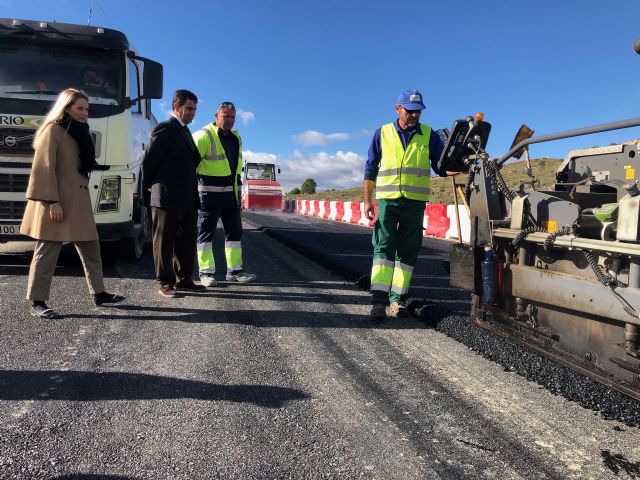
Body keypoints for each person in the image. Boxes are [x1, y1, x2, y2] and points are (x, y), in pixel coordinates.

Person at [20, 88, 124, 318]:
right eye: (80, 108)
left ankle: (99, 293)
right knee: (47, 250)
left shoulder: (80, 131)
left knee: (91, 247)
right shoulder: (52, 131)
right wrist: (51, 202)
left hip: (78, 199)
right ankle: (38, 300)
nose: (85, 112)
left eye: (87, 108)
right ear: (65, 108)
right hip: (57, 200)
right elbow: (43, 169)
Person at [364, 88, 448, 320]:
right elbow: (370, 169)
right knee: (384, 249)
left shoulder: (429, 135)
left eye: (418, 112)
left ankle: (397, 300)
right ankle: (378, 302)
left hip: (414, 203)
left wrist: (464, 166)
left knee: (408, 251)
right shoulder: (383, 133)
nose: (414, 115)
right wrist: (368, 200)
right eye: (409, 111)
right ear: (398, 109)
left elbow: (441, 167)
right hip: (387, 201)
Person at [142, 89, 206, 297]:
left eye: (194, 109)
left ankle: (184, 278)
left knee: (186, 240)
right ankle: (165, 282)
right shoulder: (166, 128)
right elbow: (149, 162)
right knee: (164, 242)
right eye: (188, 108)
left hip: (187, 197)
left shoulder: (185, 131)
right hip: (166, 197)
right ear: (176, 107)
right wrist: (151, 187)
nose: (192, 113)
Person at [192, 101, 256, 286]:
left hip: (232, 196)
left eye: (232, 117)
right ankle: (206, 273)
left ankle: (235, 271)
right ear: (216, 117)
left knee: (235, 235)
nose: (229, 120)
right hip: (209, 196)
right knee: (205, 235)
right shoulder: (203, 136)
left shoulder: (236, 138)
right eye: (225, 116)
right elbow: (191, 166)